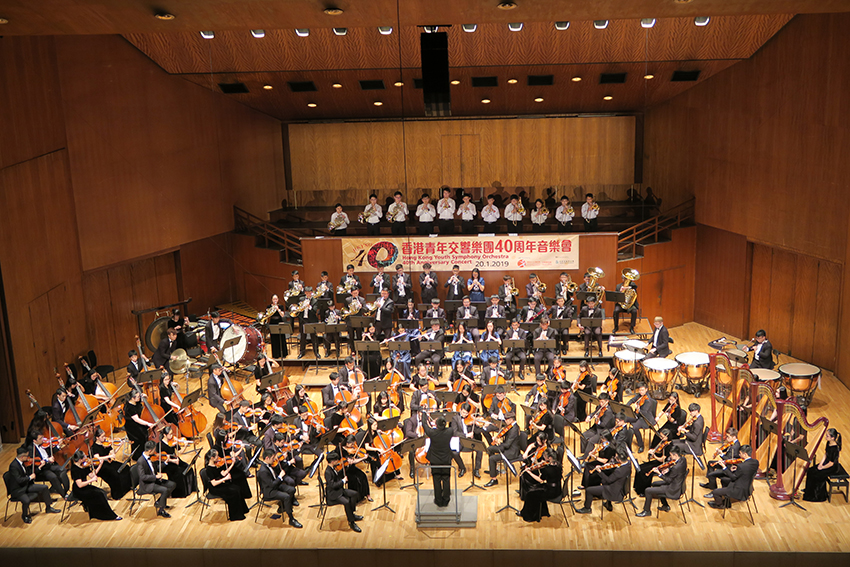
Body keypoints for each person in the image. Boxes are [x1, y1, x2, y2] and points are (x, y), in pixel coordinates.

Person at [7, 446, 59, 524]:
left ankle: (48, 507)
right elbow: (19, 480)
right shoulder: (13, 466)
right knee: (26, 500)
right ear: (22, 457)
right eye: (27, 456)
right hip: (18, 489)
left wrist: (39, 467)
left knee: (44, 487)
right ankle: (25, 515)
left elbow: (30, 473)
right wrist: (29, 478)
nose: (28, 458)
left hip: (26, 485)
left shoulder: (24, 463)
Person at [636, 446, 688, 517]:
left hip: (673, 489)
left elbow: (668, 480)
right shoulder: (683, 459)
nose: (670, 457)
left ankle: (647, 511)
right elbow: (675, 472)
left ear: (675, 455)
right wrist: (668, 469)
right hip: (677, 483)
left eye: (671, 455)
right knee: (654, 484)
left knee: (648, 490)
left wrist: (659, 474)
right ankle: (665, 505)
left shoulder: (676, 468)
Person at [575, 448, 632, 514]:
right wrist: (609, 464)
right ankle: (608, 504)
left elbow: (608, 480)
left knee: (589, 490)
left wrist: (599, 471)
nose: (615, 458)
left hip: (613, 491)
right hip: (620, 486)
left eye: (616, 457)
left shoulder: (619, 471)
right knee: (604, 478)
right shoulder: (628, 463)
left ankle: (587, 508)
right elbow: (617, 470)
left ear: (619, 460)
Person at [70, 450, 121, 521]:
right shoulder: (75, 470)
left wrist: (100, 465)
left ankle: (101, 512)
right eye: (84, 456)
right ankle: (108, 515)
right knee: (99, 495)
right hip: (79, 491)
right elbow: (80, 485)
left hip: (85, 487)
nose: (86, 457)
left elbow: (92, 475)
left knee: (102, 492)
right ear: (80, 459)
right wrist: (91, 480)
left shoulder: (84, 465)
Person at [258, 449, 302, 527]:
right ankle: (291, 519)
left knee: (292, 489)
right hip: (269, 491)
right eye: (272, 458)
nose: (274, 460)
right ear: (267, 458)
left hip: (275, 486)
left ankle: (284, 507)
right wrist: (280, 477)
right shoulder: (263, 471)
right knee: (286, 497)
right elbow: (271, 485)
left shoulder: (269, 465)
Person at [203, 449, 250, 521]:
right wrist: (225, 479)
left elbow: (224, 473)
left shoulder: (216, 465)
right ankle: (235, 516)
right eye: (217, 456)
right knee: (233, 492)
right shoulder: (208, 469)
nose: (218, 457)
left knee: (237, 488)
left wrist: (232, 464)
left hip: (220, 485)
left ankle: (243, 510)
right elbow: (214, 483)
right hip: (215, 489)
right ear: (212, 458)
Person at [707, 444, 759, 509]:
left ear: (745, 454)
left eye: (740, 453)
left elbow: (733, 478)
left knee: (715, 492)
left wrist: (724, 467)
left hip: (739, 490)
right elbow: (746, 471)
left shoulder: (741, 466)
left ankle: (720, 505)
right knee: (723, 480)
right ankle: (726, 502)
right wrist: (736, 469)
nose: (739, 455)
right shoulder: (755, 462)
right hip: (748, 488)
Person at [519, 449, 562, 522]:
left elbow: (540, 480)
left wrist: (529, 472)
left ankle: (529, 516)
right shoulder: (558, 465)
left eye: (545, 456)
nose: (544, 458)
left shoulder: (548, 469)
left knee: (530, 494)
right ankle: (543, 512)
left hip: (551, 492)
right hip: (557, 489)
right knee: (535, 490)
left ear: (550, 458)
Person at [421, 413, 455, 507]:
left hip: (435, 460)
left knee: (436, 479)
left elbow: (424, 425)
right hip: (446, 459)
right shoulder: (450, 431)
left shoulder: (432, 433)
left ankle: (438, 500)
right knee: (446, 478)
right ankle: (446, 499)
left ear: (436, 425)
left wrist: (424, 414)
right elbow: (452, 424)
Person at [325, 452, 364, 532]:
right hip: (333, 494)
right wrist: (343, 481)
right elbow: (333, 485)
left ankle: (351, 514)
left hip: (339, 490)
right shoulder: (328, 472)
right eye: (337, 460)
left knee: (354, 494)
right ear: (332, 461)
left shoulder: (333, 468)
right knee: (346, 502)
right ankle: (351, 522)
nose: (338, 462)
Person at [136, 440, 176, 518]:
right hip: (147, 484)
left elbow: (156, 468)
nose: (155, 452)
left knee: (172, 485)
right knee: (165, 490)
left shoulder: (152, 458)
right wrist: (155, 477)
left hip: (154, 480)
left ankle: (160, 502)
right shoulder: (141, 461)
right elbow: (142, 477)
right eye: (154, 450)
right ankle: (161, 510)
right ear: (150, 451)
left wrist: (165, 462)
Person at [26, 430, 70, 498]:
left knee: (63, 470)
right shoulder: (31, 449)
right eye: (40, 439)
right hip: (42, 469)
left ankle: (65, 489)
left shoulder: (43, 444)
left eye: (42, 437)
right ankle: (64, 495)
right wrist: (47, 460)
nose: (43, 440)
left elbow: (49, 451)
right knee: (53, 477)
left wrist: (58, 446)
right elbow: (35, 461)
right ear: (34, 441)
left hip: (49, 465)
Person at [90, 428, 132, 499]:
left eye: (104, 436)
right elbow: (97, 458)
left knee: (125, 467)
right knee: (114, 474)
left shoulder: (106, 443)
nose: (104, 438)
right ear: (97, 438)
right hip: (101, 466)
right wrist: (109, 456)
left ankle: (126, 487)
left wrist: (119, 446)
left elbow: (113, 453)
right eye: (102, 436)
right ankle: (117, 494)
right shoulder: (94, 447)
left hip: (109, 463)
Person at [803, 428, 842, 502]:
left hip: (832, 467)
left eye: (827, 436)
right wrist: (820, 464)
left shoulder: (835, 449)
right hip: (826, 463)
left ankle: (818, 496)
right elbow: (826, 454)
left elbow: (831, 463)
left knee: (817, 475)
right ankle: (809, 491)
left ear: (832, 438)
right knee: (810, 471)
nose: (825, 437)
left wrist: (822, 467)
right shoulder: (828, 443)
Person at [483, 412, 521, 487]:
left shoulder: (514, 429)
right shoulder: (510, 426)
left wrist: (499, 442)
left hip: (511, 451)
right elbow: (504, 434)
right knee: (489, 449)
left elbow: (507, 445)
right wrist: (497, 436)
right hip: (506, 447)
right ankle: (493, 470)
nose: (505, 421)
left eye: (506, 420)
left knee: (492, 458)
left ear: (511, 420)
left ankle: (494, 479)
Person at [625, 382, 658, 453]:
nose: (641, 392)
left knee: (635, 427)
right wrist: (627, 406)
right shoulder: (639, 395)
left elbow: (644, 412)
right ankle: (625, 439)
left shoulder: (648, 400)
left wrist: (638, 408)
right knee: (625, 418)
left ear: (646, 389)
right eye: (639, 390)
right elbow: (632, 400)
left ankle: (641, 445)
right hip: (638, 415)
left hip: (646, 419)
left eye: (642, 390)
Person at [265, 294, 289, 359]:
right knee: (274, 339)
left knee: (281, 338)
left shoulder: (281, 306)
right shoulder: (269, 306)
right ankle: (276, 354)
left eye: (276, 299)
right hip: (272, 322)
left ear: (278, 300)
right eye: (274, 299)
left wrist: (278, 309)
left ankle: (283, 354)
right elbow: (267, 315)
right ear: (272, 300)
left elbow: (282, 315)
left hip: (279, 322)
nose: (275, 300)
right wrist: (272, 309)